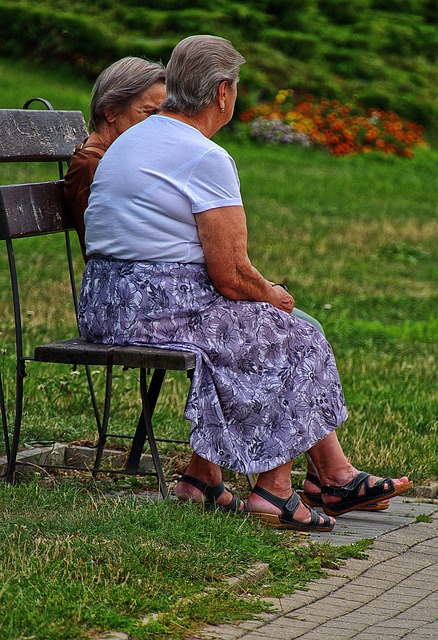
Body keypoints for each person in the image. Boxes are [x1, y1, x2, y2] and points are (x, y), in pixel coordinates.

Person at [77, 35, 411, 531]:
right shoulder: (204, 155)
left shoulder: (133, 140)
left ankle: (207, 479)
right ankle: (276, 492)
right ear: (222, 93)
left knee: (277, 326)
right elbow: (231, 276)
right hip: (156, 306)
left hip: (106, 303)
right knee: (292, 333)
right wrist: (271, 292)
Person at [64, 56, 166, 261]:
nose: (160, 124)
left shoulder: (119, 158)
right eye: (150, 113)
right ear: (111, 112)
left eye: (163, 115)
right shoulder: (91, 166)